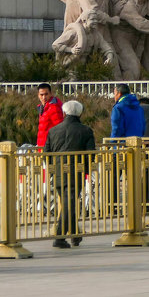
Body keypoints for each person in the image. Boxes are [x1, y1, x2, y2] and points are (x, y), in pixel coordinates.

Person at [44, 99, 95, 248]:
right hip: (75, 172)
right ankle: (59, 237)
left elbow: (47, 153)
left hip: (59, 172)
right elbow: (90, 154)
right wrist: (86, 169)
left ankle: (74, 235)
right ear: (80, 113)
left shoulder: (53, 130)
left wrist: (54, 167)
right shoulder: (86, 130)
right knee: (69, 203)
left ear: (64, 113)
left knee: (68, 202)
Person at [36, 82, 64, 148]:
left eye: (46, 94)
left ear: (51, 93)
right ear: (38, 95)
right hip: (43, 145)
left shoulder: (54, 107)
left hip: (50, 146)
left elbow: (59, 128)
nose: (44, 97)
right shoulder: (43, 107)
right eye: (41, 95)